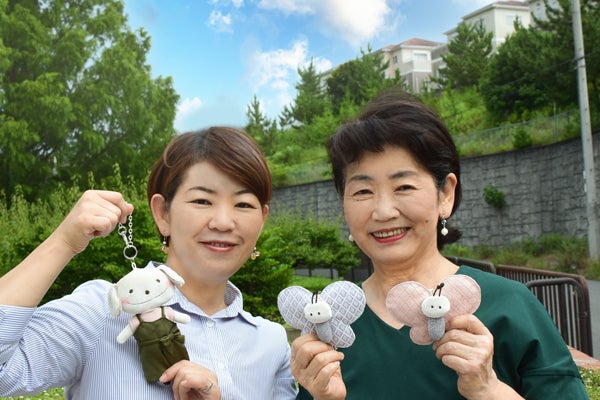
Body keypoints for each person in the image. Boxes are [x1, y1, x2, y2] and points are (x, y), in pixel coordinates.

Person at [290, 90, 589, 399]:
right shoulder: (331, 323)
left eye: (403, 186)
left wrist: (488, 388)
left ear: (445, 194)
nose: (383, 211)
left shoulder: (508, 305)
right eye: (362, 191)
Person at [0, 127, 297, 399]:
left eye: (243, 204)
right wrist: (64, 242)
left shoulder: (271, 343)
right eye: (202, 201)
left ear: (262, 220)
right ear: (162, 213)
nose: (223, 222)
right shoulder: (101, 312)